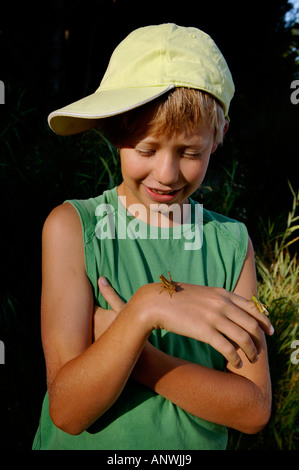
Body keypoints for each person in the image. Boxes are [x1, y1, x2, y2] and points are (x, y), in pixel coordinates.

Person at [33, 23, 274, 450]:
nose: (166, 174)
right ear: (113, 133)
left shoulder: (232, 245)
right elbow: (68, 411)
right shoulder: (72, 228)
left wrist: (135, 348)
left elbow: (253, 409)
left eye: (190, 152)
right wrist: (148, 305)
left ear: (218, 138)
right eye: (147, 150)